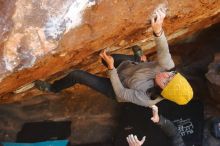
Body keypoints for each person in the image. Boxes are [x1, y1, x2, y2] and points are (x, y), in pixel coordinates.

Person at [35, 8, 193, 107]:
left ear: (162, 92)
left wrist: (111, 68)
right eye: (172, 76)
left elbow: (122, 93)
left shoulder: (148, 98)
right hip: (130, 67)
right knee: (104, 58)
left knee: (77, 75)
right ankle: (138, 59)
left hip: (116, 88)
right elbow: (163, 48)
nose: (166, 75)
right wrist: (158, 30)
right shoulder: (167, 67)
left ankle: (53, 88)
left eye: (166, 81)